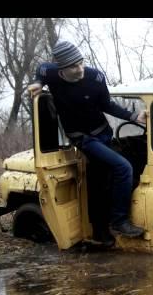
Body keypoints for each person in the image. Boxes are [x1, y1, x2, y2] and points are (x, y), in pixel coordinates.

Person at [28, 40, 146, 246]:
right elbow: (41, 69)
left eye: (81, 62)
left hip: (103, 134)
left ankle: (101, 232)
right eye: (74, 66)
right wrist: (38, 82)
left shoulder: (95, 77)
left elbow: (107, 105)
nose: (80, 68)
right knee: (123, 168)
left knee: (103, 179)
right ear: (62, 69)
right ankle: (119, 221)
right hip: (83, 138)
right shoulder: (51, 73)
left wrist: (133, 116)